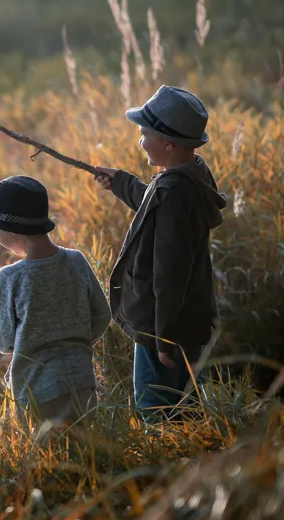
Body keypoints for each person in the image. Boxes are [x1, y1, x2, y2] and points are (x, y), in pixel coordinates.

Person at [93, 85, 227, 419]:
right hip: (190, 316)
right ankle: (196, 448)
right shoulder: (191, 174)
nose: (140, 141)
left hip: (164, 325)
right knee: (186, 403)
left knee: (156, 408)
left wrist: (162, 337)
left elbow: (169, 272)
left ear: (168, 143)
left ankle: (167, 453)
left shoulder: (174, 192)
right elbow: (156, 203)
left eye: (144, 134)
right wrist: (121, 183)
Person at [0, 175, 111, 428]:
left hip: (36, 390)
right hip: (82, 382)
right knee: (84, 446)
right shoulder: (76, 261)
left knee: (47, 449)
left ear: (12, 230)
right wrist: (75, 342)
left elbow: (2, 341)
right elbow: (102, 315)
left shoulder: (11, 277)